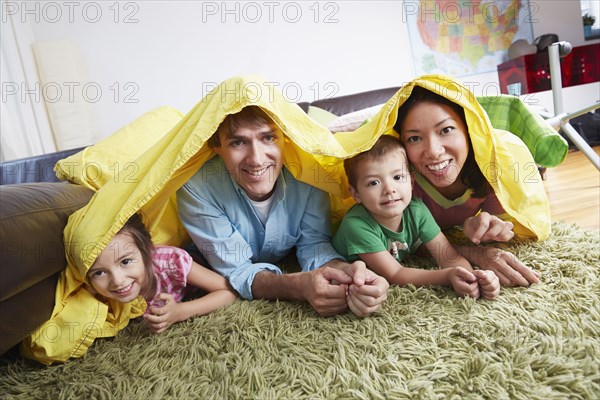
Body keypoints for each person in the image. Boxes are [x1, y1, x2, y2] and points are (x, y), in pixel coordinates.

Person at [177, 106, 389, 317]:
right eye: (238, 142)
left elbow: (314, 245)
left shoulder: (308, 172)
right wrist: (298, 286)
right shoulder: (196, 187)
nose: (256, 159)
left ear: (285, 138)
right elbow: (237, 271)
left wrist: (348, 273)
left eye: (268, 138)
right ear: (217, 147)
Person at [393, 83, 542, 287]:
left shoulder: (492, 170)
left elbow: (512, 223)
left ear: (469, 130)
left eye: (446, 130)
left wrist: (495, 225)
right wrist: (477, 253)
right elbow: (406, 245)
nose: (434, 151)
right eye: (414, 138)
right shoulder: (398, 184)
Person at [333, 135, 500, 300]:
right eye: (374, 183)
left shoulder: (417, 210)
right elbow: (396, 273)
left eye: (398, 177)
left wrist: (473, 278)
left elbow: (448, 256)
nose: (389, 189)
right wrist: (447, 276)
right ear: (356, 194)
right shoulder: (356, 225)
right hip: (351, 272)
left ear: (411, 182)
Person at [86, 213, 237, 334]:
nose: (117, 281)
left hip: (201, 257)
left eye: (125, 262)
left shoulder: (170, 262)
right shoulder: (92, 292)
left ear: (145, 251)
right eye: (99, 272)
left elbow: (228, 291)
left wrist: (180, 312)